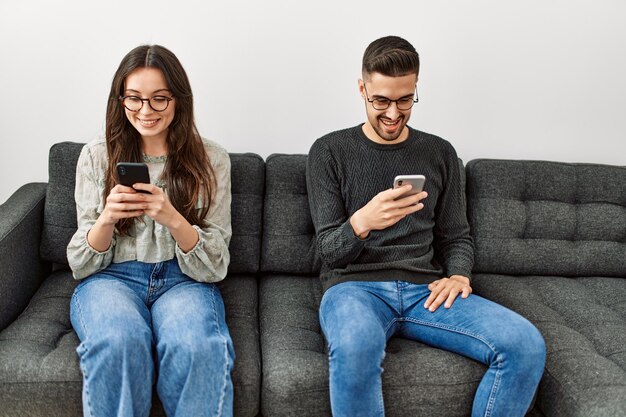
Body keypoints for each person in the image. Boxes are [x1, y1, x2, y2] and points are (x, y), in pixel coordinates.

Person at [306, 35, 546, 417]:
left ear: (416, 88)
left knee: (525, 344)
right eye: (380, 100)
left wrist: (459, 276)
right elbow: (327, 252)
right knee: (355, 347)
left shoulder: (440, 152)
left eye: (405, 100)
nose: (392, 113)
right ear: (361, 88)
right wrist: (362, 222)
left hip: (426, 291)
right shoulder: (328, 151)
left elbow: (457, 236)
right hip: (354, 288)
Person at [67, 45, 234, 417]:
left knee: (199, 345)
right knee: (118, 341)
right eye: (135, 99)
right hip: (111, 279)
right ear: (120, 99)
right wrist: (107, 219)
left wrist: (174, 218)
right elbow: (80, 263)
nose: (146, 112)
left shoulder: (212, 159)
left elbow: (216, 264)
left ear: (178, 100)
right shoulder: (97, 156)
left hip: (183, 279)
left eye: (159, 99)